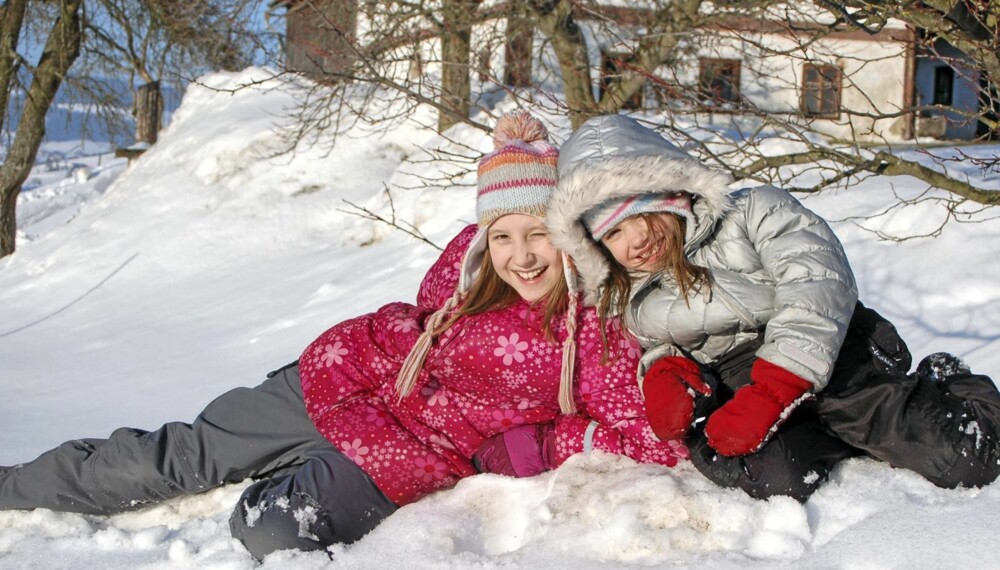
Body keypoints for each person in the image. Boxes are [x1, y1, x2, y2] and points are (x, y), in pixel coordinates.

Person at [0, 112, 687, 560]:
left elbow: (650, 437)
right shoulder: (468, 266)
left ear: (572, 231)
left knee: (264, 531)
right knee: (176, 457)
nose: (523, 255)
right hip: (337, 377)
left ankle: (270, 474)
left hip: (402, 452)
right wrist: (522, 151)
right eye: (503, 237)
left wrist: (540, 442)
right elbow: (504, 201)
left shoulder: (597, 328)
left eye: (541, 233)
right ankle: (15, 487)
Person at [541, 113, 1000, 501]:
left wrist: (780, 384)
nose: (636, 240)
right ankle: (826, 438)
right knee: (773, 477)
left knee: (962, 460)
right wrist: (663, 373)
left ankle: (947, 380)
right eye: (614, 234)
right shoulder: (632, 293)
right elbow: (655, 343)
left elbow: (816, 281)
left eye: (642, 216)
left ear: (674, 194)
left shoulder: (754, 212)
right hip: (743, 380)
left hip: (833, 354)